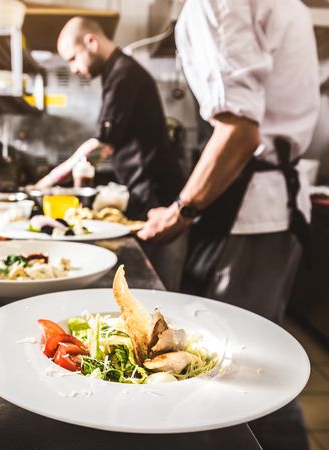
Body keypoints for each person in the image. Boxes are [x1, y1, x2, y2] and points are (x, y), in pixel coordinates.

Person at [138, 1, 320, 448]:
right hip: (272, 208)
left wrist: (180, 210)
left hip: (252, 210)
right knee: (260, 358)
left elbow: (239, 131)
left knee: (240, 369)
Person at [35, 17, 184, 222]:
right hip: (147, 187)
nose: (73, 69)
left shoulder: (123, 74)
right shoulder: (118, 71)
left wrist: (49, 181)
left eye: (73, 58)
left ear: (91, 42)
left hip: (154, 191)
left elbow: (103, 145)